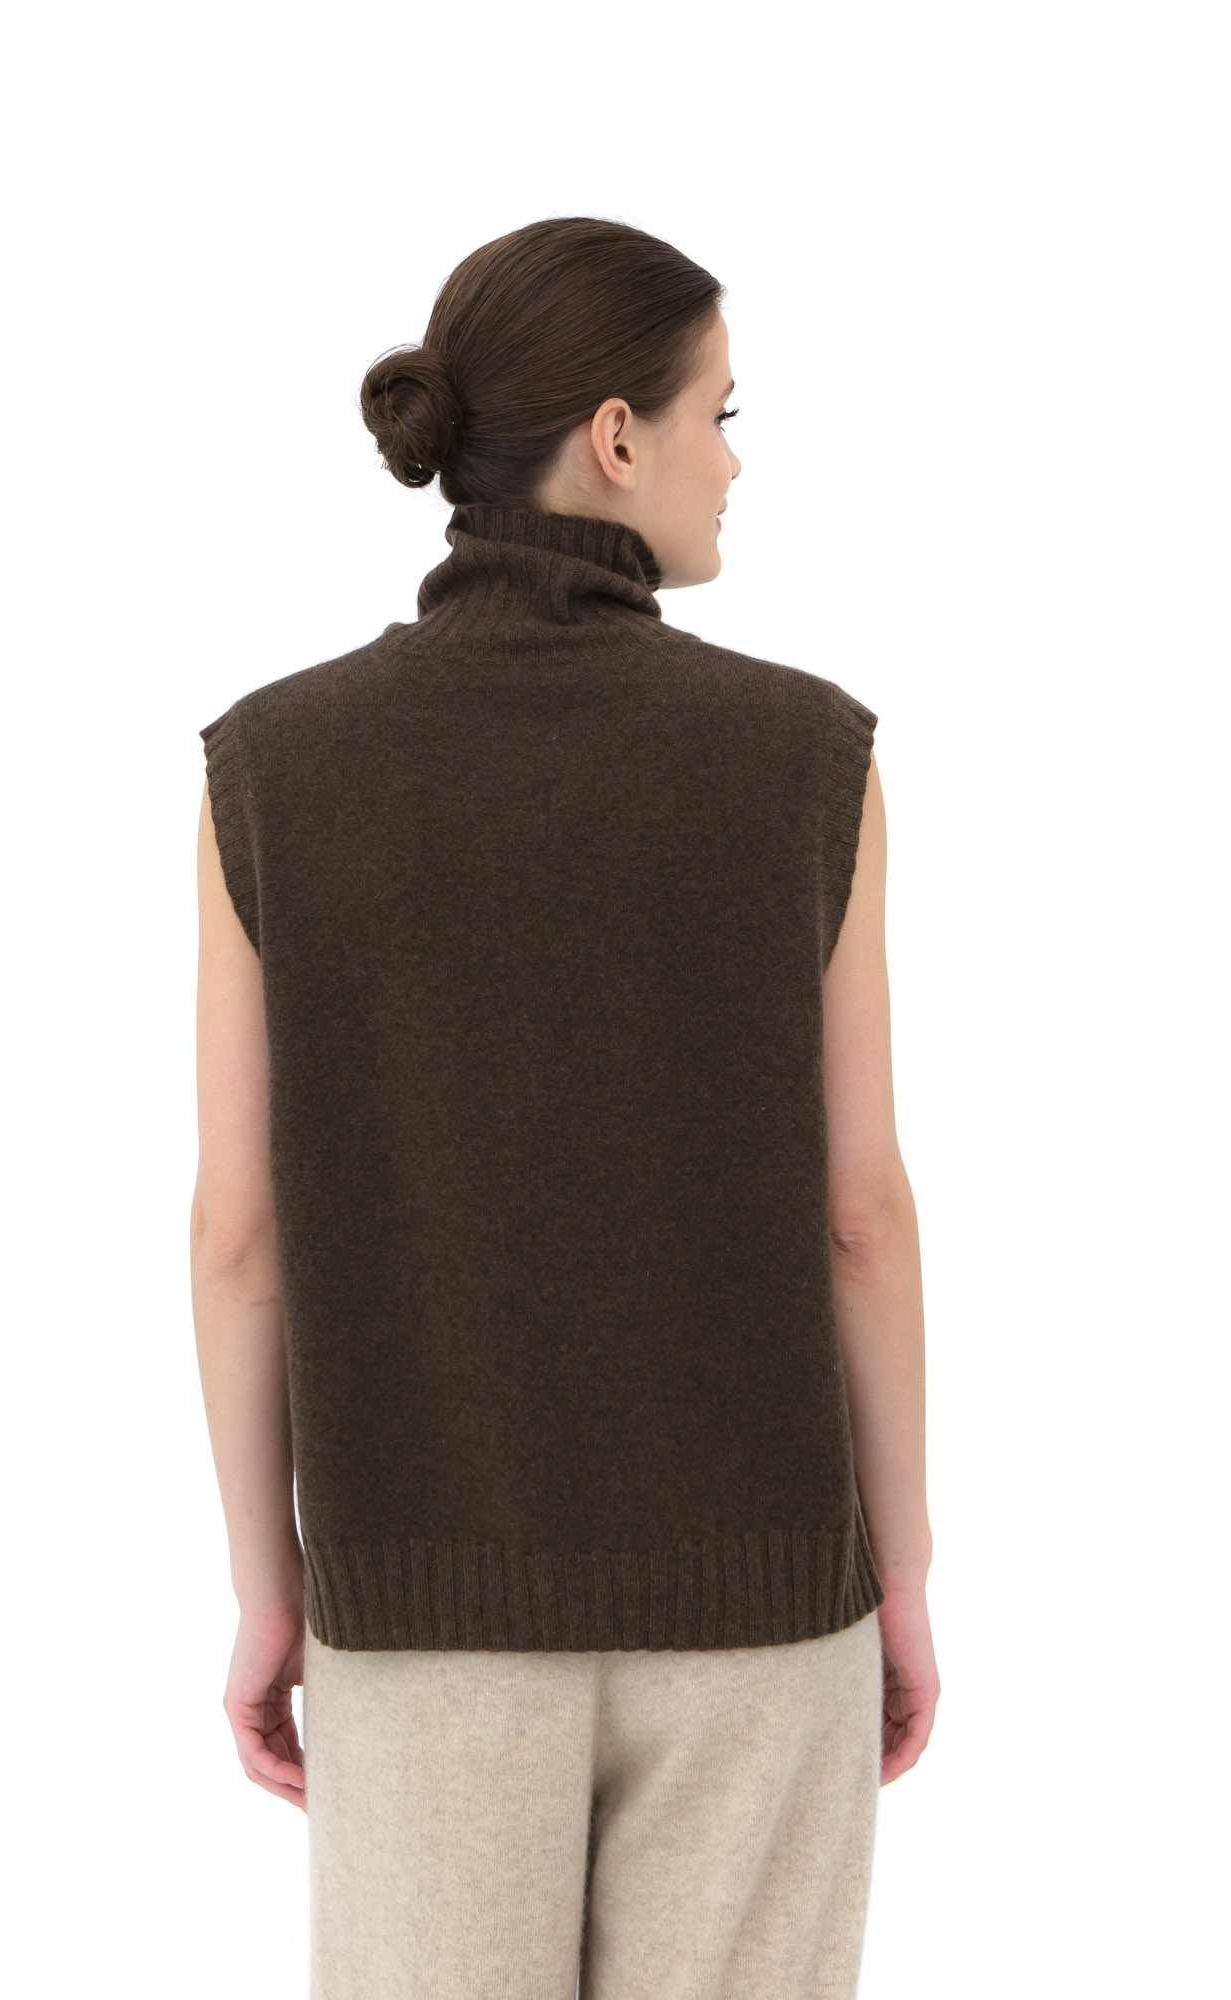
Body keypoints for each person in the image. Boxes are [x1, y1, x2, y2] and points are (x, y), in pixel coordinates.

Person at [191, 215, 937, 2000]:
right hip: (761, 1615)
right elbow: (862, 1217)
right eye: (718, 415)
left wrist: (272, 1590)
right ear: (616, 437)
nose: (734, 462)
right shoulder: (809, 760)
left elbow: (237, 1237)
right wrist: (900, 1572)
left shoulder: (272, 768)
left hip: (420, 1617)